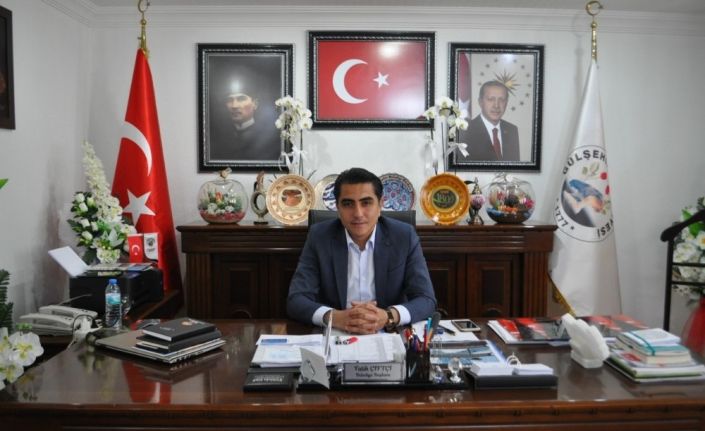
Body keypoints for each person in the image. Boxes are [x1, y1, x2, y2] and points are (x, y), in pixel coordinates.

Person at [287, 168, 437, 334]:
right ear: (337, 207)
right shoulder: (320, 236)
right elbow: (296, 300)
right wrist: (335, 317)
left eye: (366, 203)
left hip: (387, 332)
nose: (358, 213)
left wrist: (388, 316)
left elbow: (426, 299)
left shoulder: (403, 236)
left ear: (380, 204)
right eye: (348, 204)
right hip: (336, 332)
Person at [208, 87, 281, 162]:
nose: (234, 106)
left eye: (241, 99)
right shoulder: (218, 136)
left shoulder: (268, 137)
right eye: (230, 100)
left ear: (255, 104)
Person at [460, 80, 520, 161]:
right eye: (491, 99)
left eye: (501, 100)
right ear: (480, 102)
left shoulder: (512, 130)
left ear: (506, 103)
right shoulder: (465, 132)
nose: (496, 105)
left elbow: (515, 166)